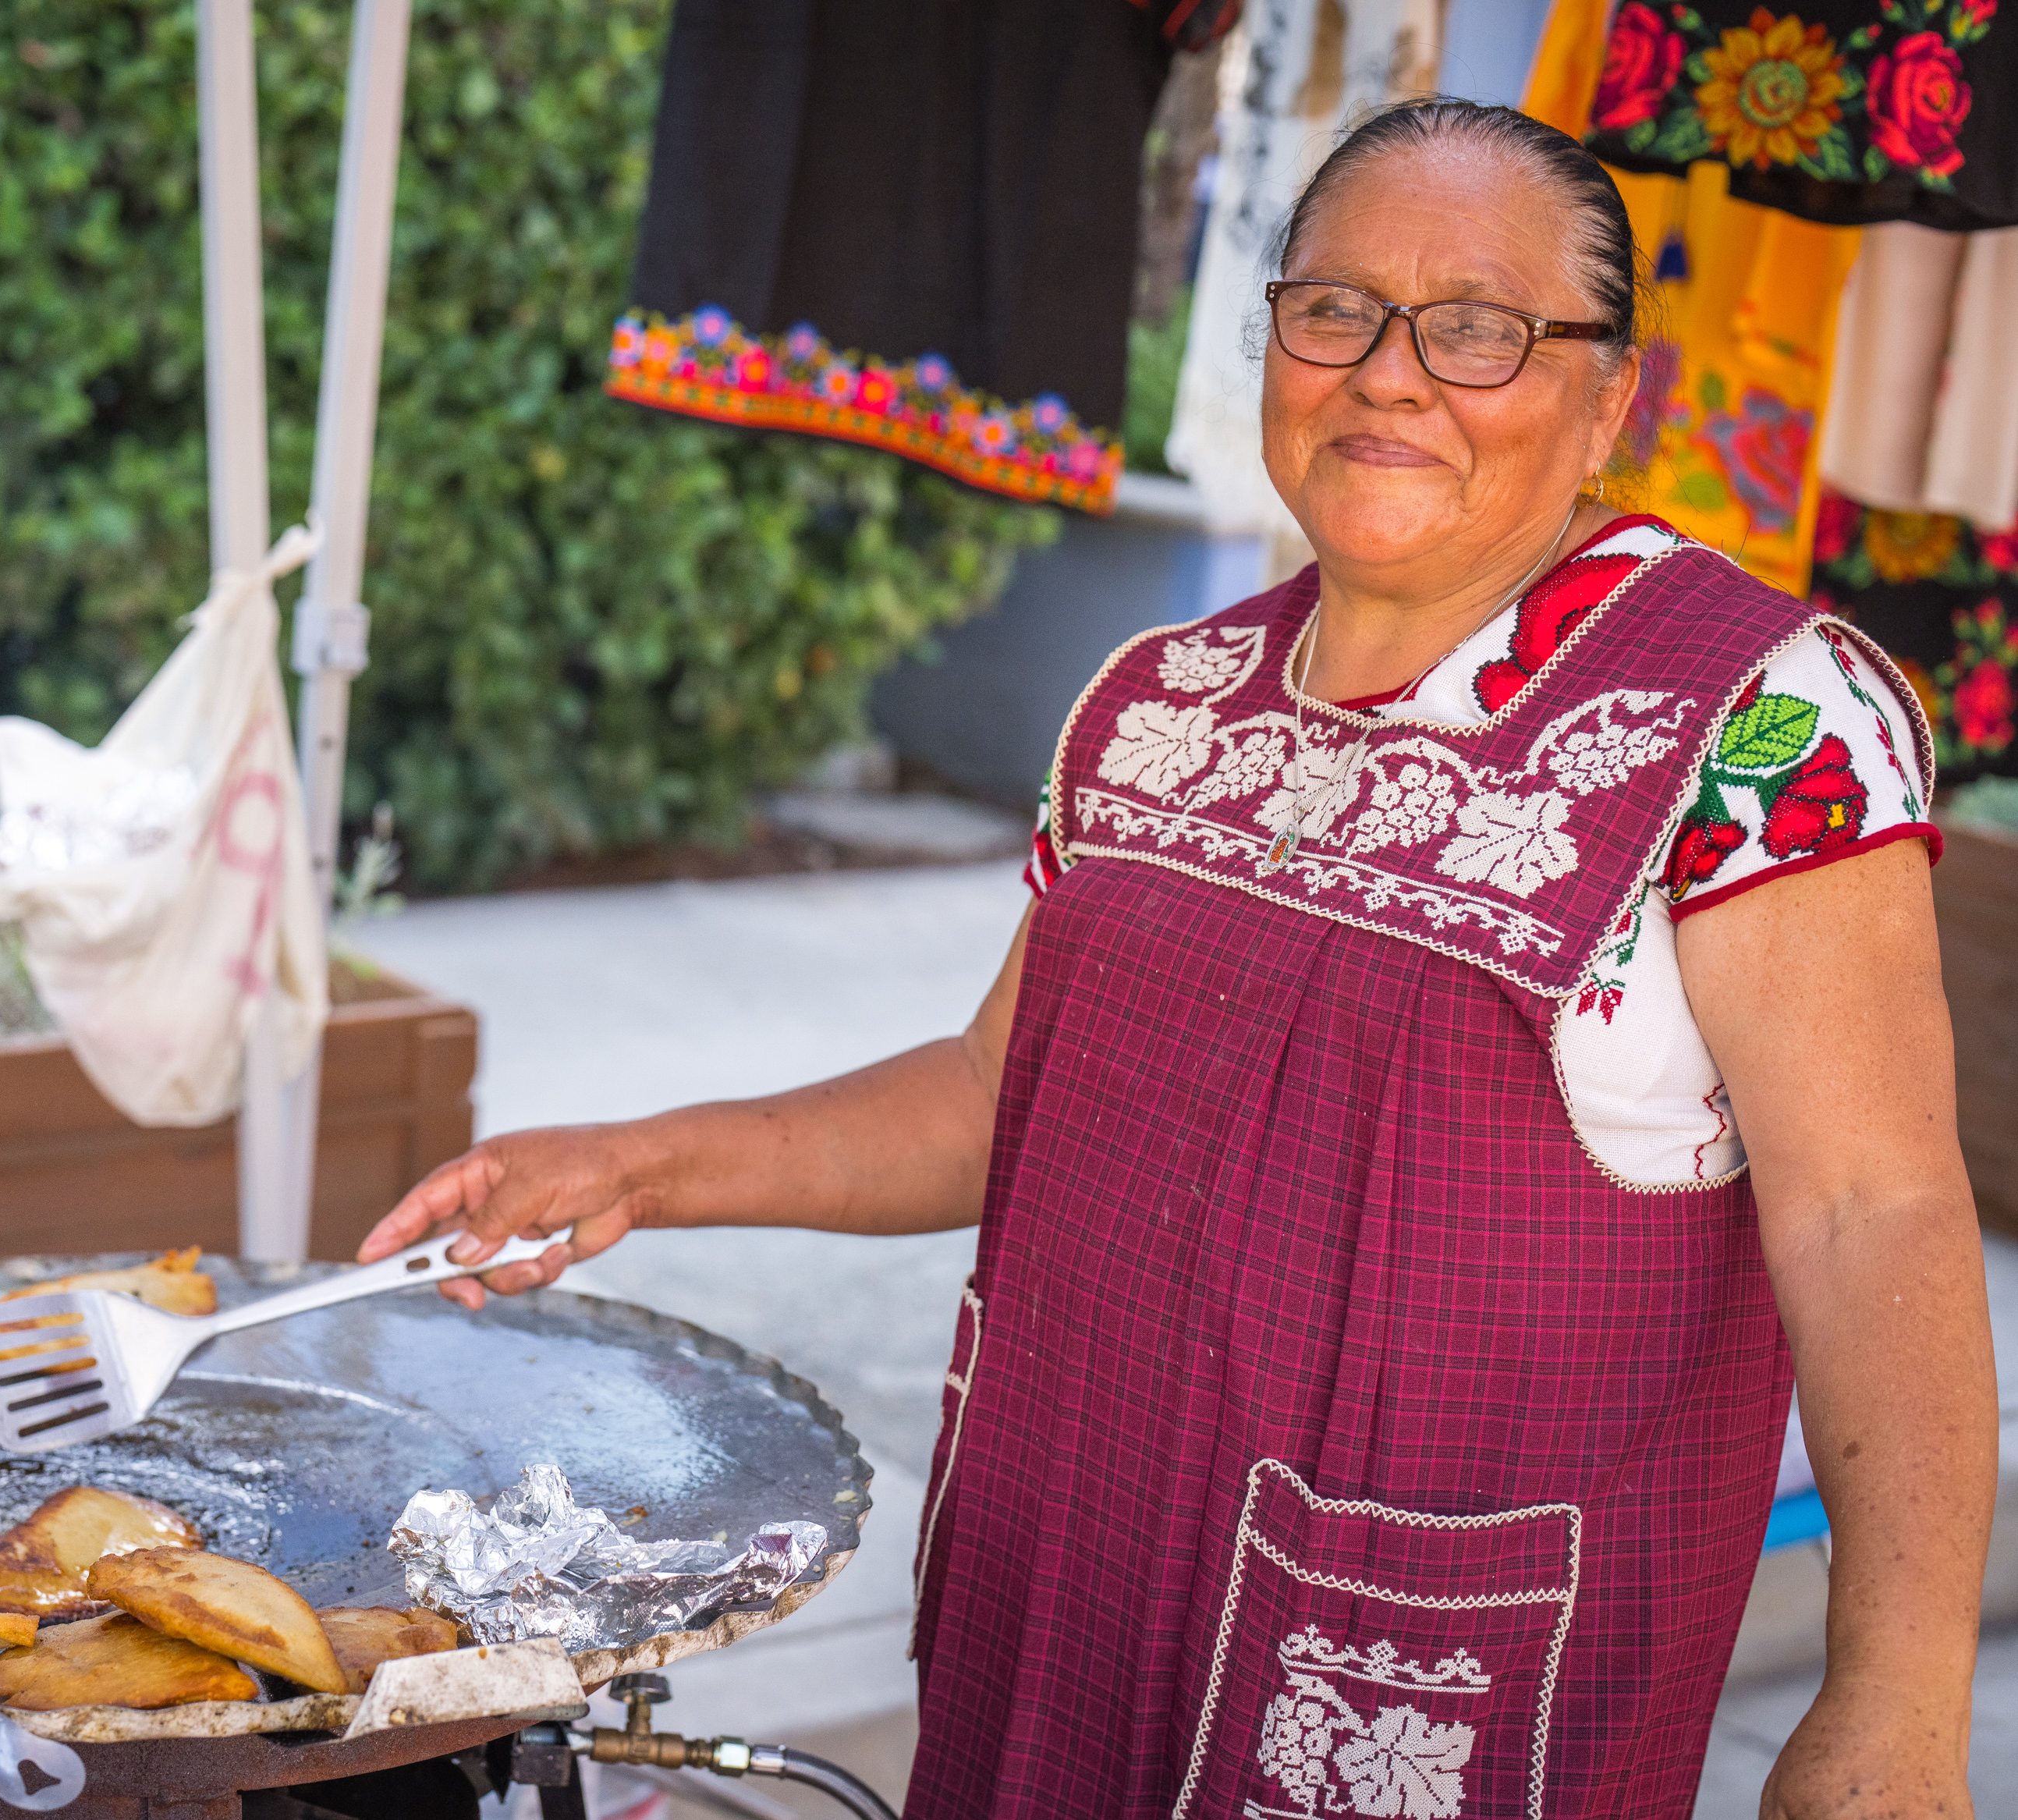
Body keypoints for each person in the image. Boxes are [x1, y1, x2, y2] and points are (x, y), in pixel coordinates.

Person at [358, 101, 1998, 1819]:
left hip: (1417, 1693)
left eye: (1479, 329)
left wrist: (1896, 1701)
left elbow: (1867, 1207)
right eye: (1334, 310)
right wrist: (641, 1163)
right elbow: (1009, 1097)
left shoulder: (1758, 720)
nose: (1388, 372)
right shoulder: (1162, 699)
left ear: (1608, 402)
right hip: (1057, 1604)